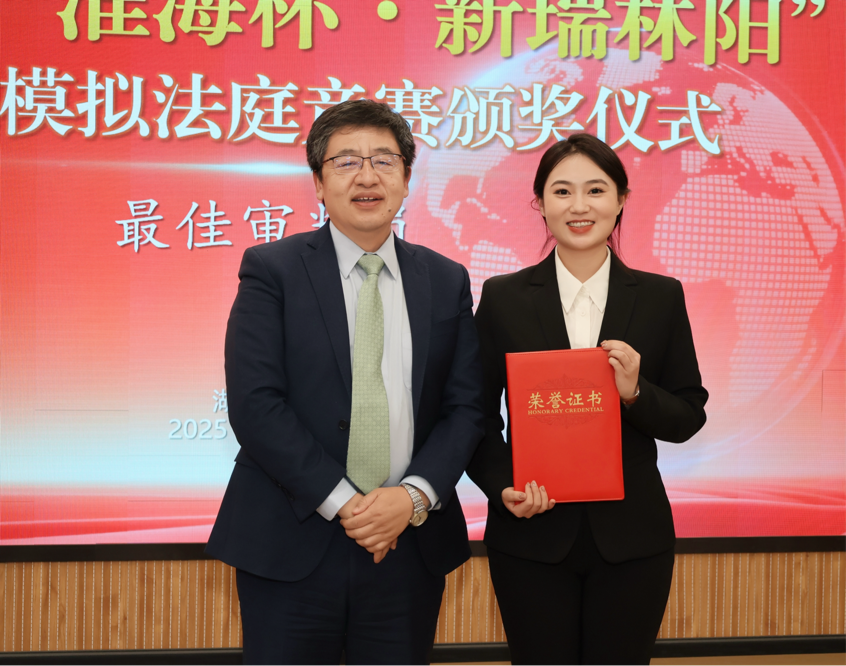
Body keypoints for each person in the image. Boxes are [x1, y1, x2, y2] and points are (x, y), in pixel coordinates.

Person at [206, 99, 484, 666]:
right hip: (290, 539)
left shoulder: (445, 278)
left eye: (383, 160)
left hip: (407, 543)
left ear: (406, 178)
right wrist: (347, 504)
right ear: (318, 182)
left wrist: (411, 497)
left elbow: (467, 407)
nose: (366, 176)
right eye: (346, 161)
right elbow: (256, 404)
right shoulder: (272, 269)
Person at [467, 134, 708, 665]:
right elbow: (475, 415)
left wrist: (636, 393)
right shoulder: (503, 297)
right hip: (530, 537)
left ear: (621, 199)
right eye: (562, 191)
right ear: (540, 204)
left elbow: (688, 414)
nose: (579, 206)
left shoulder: (661, 296)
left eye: (596, 190)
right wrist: (504, 485)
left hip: (633, 539)